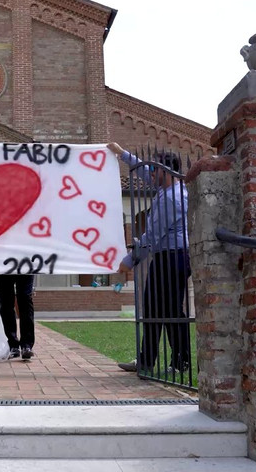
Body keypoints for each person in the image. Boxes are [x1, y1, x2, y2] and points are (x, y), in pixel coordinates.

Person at [107, 142, 191, 374]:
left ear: (165, 170)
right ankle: (148, 361)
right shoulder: (168, 187)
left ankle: (179, 362)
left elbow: (152, 236)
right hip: (168, 256)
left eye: (154, 169)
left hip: (172, 258)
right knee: (156, 309)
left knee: (170, 311)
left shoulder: (171, 199)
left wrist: (130, 260)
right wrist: (122, 153)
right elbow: (143, 169)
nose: (150, 173)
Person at [0, 275, 36, 359]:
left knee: (25, 299)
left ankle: (26, 346)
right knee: (6, 303)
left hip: (25, 267)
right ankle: (13, 345)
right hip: (3, 269)